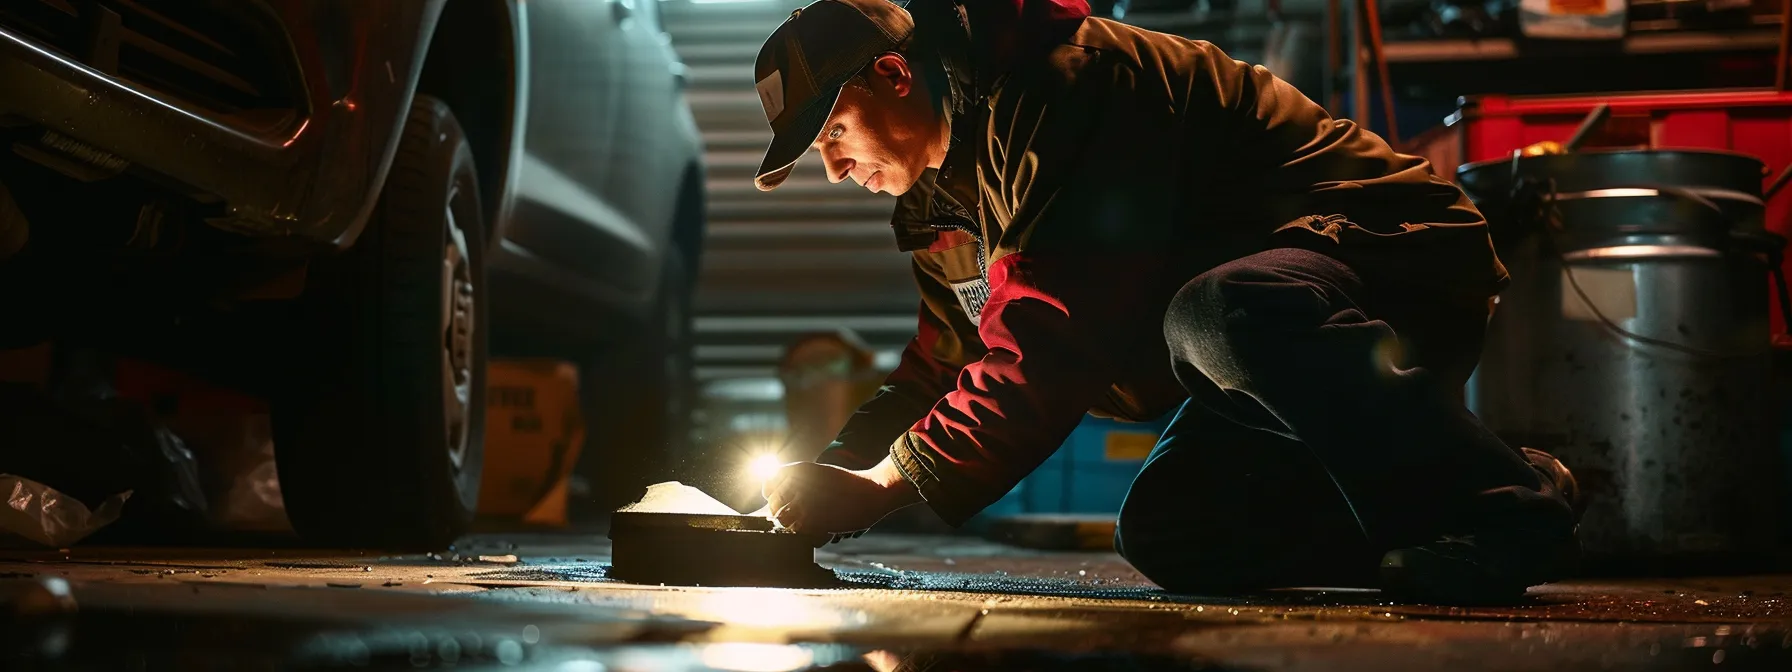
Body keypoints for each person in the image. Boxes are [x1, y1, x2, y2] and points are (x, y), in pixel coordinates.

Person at [749, 0, 1580, 604]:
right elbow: (948, 359)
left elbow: (1047, 344)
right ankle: (1467, 498)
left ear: (892, 73)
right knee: (1174, 535)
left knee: (1221, 310)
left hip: (1391, 260)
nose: (833, 168)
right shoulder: (942, 205)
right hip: (1260, 340)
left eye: (832, 136)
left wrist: (887, 482)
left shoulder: (1060, 88)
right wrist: (828, 470)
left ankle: (1501, 509)